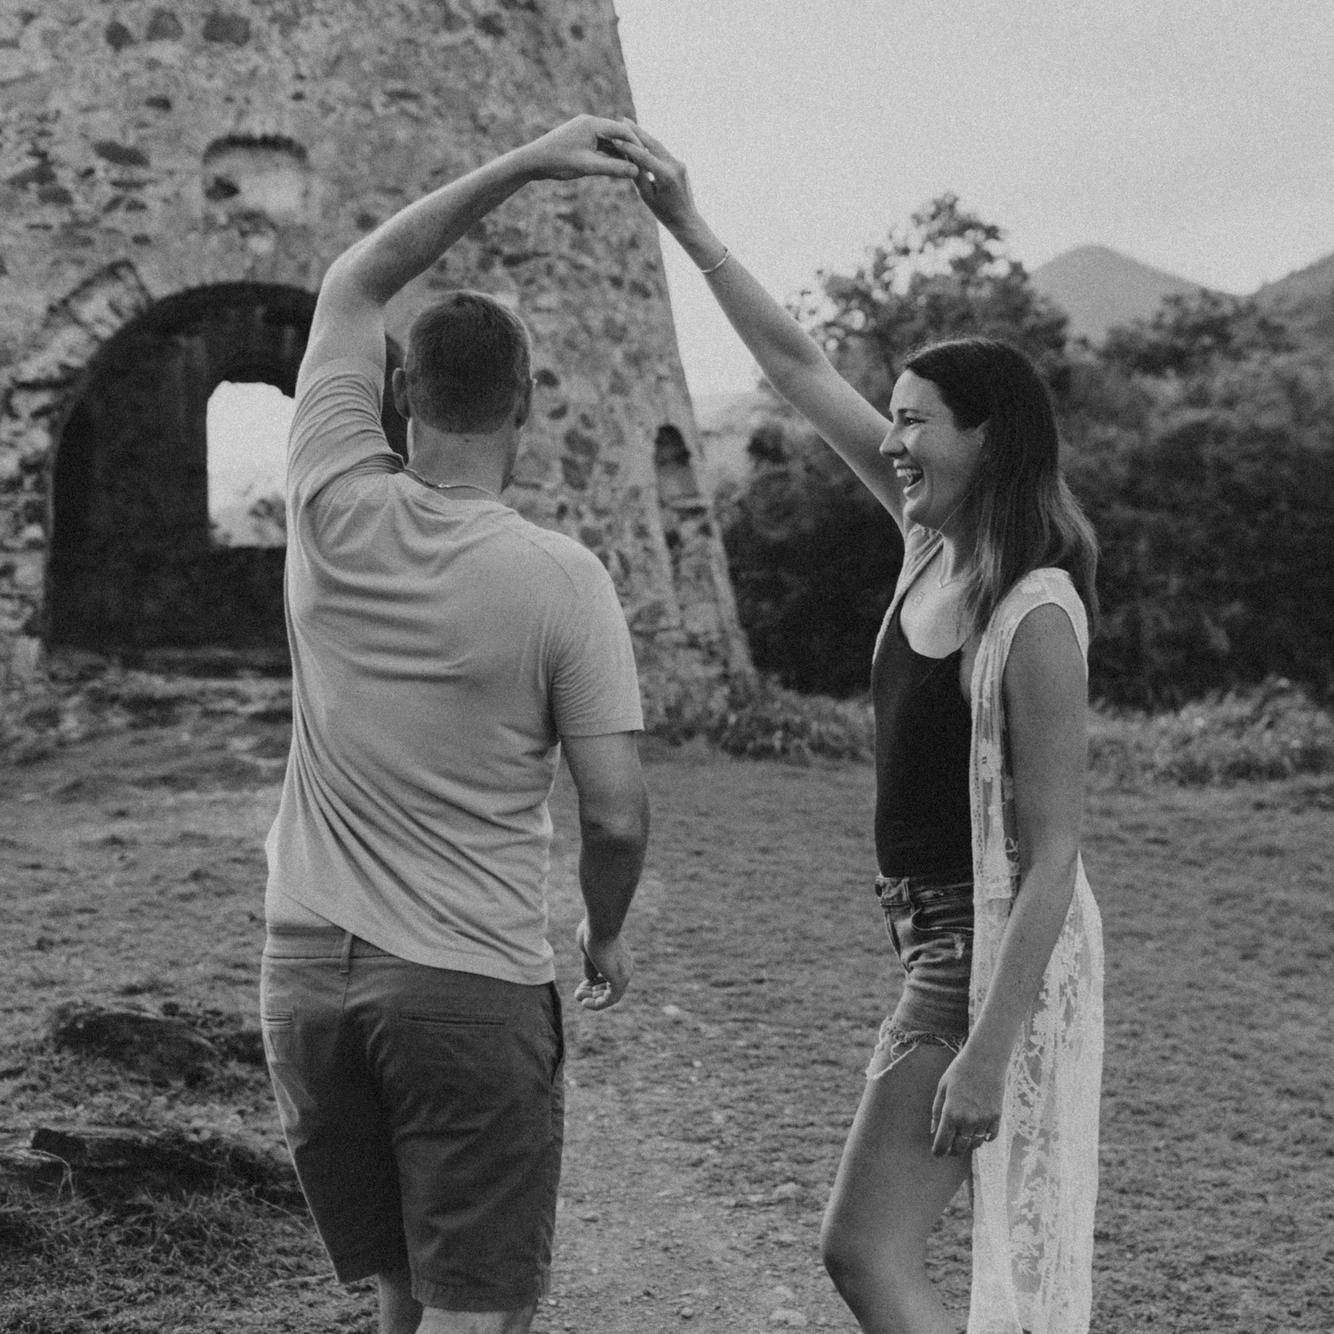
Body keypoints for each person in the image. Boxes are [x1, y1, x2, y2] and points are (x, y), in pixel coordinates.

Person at [615, 124, 1103, 1334]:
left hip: (976, 950)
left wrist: (985, 1048)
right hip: (926, 935)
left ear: (985, 436)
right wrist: (687, 225)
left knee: (863, 1249)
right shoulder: (922, 543)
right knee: (867, 1249)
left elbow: (1054, 853)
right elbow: (794, 364)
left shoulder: (1034, 607)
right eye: (887, 417)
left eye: (913, 420)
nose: (888, 440)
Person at [259, 116, 651, 1334]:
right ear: (522, 404)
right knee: (478, 1310)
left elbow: (354, 280)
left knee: (400, 1292)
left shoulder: (329, 498)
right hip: (465, 982)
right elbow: (615, 814)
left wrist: (526, 159)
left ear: (397, 395)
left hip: (303, 975)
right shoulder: (561, 577)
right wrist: (602, 929)